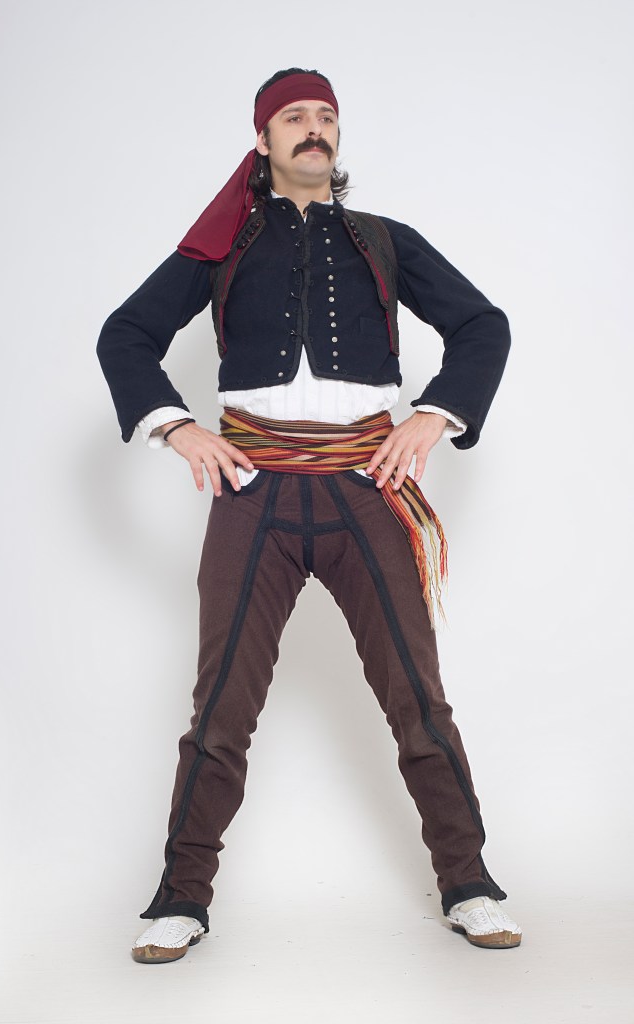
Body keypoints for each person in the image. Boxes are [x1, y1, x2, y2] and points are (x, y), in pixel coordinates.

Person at [96, 67, 522, 964]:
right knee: (221, 703)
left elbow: (483, 325)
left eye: (326, 115)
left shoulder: (385, 240)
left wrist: (433, 415)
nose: (314, 128)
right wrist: (178, 428)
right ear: (264, 141)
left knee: (416, 696)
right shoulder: (221, 245)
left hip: (368, 488)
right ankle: (181, 897)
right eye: (294, 116)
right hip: (252, 492)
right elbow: (124, 335)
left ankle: (469, 883)